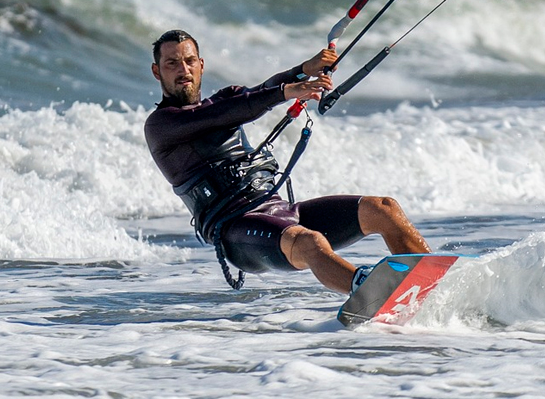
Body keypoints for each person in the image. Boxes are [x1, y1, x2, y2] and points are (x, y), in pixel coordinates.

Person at [144, 29, 431, 293]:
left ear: (201, 65)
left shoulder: (224, 99)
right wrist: (285, 93)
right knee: (310, 242)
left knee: (382, 208)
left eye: (190, 61)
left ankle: (433, 281)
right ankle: (372, 294)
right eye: (172, 64)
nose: (184, 70)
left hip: (279, 211)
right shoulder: (161, 125)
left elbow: (256, 93)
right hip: (236, 230)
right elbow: (227, 114)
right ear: (157, 72)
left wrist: (303, 70)